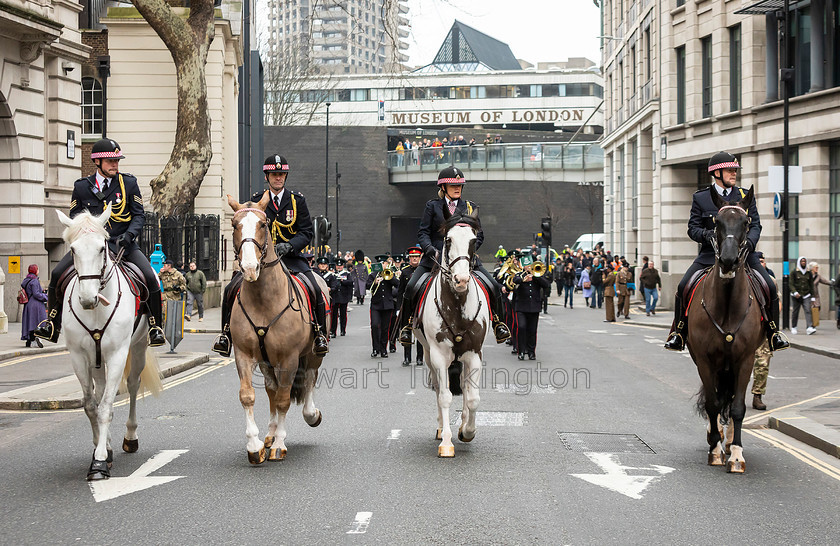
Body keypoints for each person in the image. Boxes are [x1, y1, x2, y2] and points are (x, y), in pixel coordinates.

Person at [34, 138, 165, 346]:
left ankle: (155, 326)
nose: (115, 165)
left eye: (117, 161)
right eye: (110, 161)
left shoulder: (128, 184)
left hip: (123, 244)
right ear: (97, 162)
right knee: (57, 274)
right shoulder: (82, 187)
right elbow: (76, 218)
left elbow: (139, 216)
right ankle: (52, 323)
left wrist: (129, 236)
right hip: (90, 247)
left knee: (150, 277)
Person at [665, 152, 789, 351]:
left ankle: (773, 332)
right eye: (730, 170)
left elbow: (756, 225)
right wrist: (707, 235)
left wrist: (749, 242)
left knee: (770, 286)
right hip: (710, 255)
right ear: (717, 173)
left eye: (735, 170)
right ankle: (678, 333)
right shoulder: (701, 198)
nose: (734, 174)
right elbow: (692, 228)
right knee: (682, 287)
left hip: (744, 255)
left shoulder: (744, 196)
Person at [212, 154, 329, 357]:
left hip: (291, 258)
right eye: (274, 174)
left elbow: (306, 232)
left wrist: (289, 246)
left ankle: (319, 334)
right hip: (260, 260)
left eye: (282, 174)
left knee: (314, 288)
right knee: (231, 288)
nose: (278, 178)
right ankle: (226, 335)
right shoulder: (256, 201)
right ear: (267, 176)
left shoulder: (297, 201)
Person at [395, 166, 511, 346]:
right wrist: (430, 249)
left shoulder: (470, 207)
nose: (457, 188)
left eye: (459, 185)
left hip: (464, 258)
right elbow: (423, 233)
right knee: (410, 287)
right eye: (452, 185)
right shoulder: (432, 206)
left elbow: (479, 235)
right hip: (434, 258)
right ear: (443, 188)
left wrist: (468, 251)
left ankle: (498, 323)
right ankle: (407, 327)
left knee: (494, 286)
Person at [750, 252, 777, 411]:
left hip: (762, 330)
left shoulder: (770, 281)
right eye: (759, 261)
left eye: (762, 261)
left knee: (762, 364)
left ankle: (757, 396)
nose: (761, 263)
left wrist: (772, 328)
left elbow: (776, 305)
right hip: (740, 331)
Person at [511, 254, 551, 360]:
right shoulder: (519, 274)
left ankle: (531, 352)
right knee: (522, 327)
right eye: (526, 265)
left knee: (532, 331)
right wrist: (524, 279)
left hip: (534, 307)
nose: (528, 267)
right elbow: (515, 281)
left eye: (530, 265)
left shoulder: (537, 275)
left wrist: (535, 276)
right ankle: (521, 351)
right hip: (521, 307)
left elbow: (546, 284)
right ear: (523, 266)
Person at [397, 246, 424, 366]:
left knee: (421, 333)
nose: (414, 259)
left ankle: (420, 357)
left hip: (421, 305)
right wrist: (398, 308)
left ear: (420, 258)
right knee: (406, 332)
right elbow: (400, 291)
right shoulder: (405, 271)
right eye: (412, 257)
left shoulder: (424, 271)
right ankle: (407, 357)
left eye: (417, 257)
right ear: (409, 258)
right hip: (407, 306)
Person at [367, 255, 398, 358]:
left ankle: (383, 349)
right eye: (380, 264)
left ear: (386, 264)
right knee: (375, 326)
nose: (382, 265)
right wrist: (375, 282)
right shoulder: (373, 275)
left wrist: (390, 276)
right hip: (376, 304)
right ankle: (375, 348)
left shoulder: (389, 274)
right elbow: (368, 286)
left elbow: (397, 284)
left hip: (387, 305)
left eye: (384, 263)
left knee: (385, 328)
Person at [20, 265, 47, 348]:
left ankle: (29, 340)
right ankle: (34, 340)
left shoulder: (27, 280)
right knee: (36, 322)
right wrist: (45, 296)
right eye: (37, 269)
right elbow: (36, 294)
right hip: (35, 304)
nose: (38, 270)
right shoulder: (34, 281)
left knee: (30, 322)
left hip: (28, 304)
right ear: (35, 270)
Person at [790, 256, 814, 335]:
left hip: (806, 295)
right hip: (796, 296)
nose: (803, 263)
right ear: (799, 263)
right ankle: (794, 327)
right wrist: (795, 292)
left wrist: (813, 297)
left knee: (808, 310)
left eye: (804, 261)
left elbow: (811, 285)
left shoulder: (808, 273)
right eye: (802, 261)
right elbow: (791, 283)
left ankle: (809, 327)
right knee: (795, 311)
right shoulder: (794, 272)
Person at [330, 258, 354, 337]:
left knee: (343, 315)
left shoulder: (346, 274)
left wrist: (343, 281)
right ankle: (333, 331)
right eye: (337, 266)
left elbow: (351, 282)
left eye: (340, 266)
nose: (339, 267)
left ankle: (343, 330)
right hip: (335, 296)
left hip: (343, 296)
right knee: (334, 315)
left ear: (343, 266)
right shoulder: (332, 274)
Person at [808, 261, 834, 332]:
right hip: (808, 295)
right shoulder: (807, 275)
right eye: (816, 267)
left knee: (817, 308)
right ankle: (810, 325)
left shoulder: (817, 276)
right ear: (812, 268)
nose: (817, 269)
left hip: (816, 296)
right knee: (809, 310)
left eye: (817, 267)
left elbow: (825, 281)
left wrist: (832, 282)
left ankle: (814, 324)